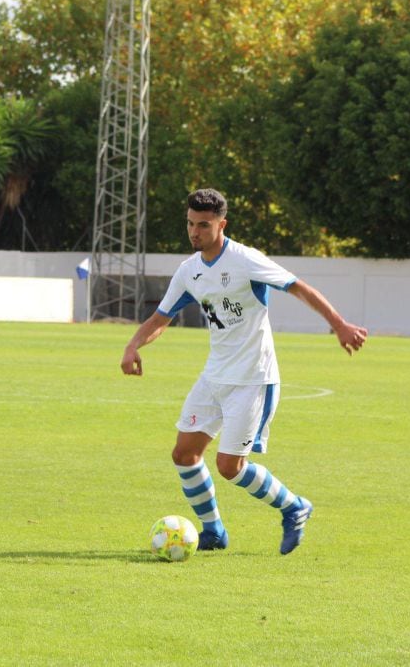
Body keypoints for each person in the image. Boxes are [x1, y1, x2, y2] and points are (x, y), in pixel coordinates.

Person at [121, 188, 368, 555]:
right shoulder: (189, 271)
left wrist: (339, 324)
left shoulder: (245, 260)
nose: (195, 232)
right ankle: (214, 531)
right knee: (184, 454)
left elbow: (298, 287)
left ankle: (294, 507)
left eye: (203, 225)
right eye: (190, 224)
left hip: (253, 379)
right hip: (214, 377)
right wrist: (133, 346)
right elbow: (162, 317)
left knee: (229, 466)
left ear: (223, 224)